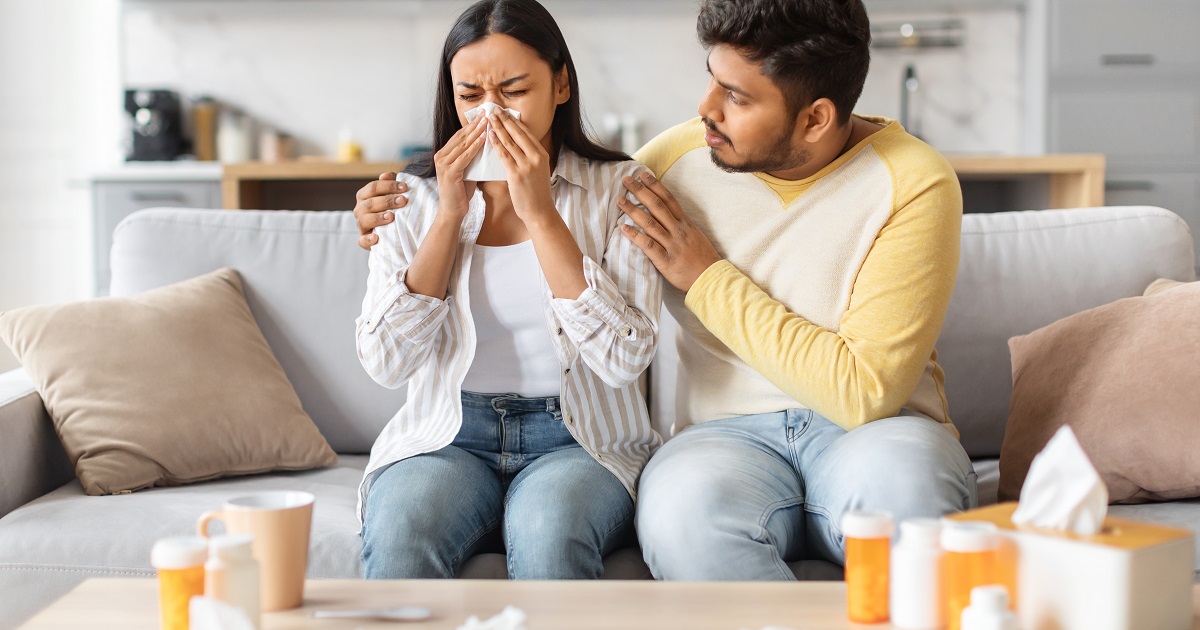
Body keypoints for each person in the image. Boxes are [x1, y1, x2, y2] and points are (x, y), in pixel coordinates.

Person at [356, 0, 977, 581]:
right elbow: (584, 182)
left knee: (908, 497)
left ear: (814, 116)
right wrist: (393, 219)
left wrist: (704, 276)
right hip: (724, 436)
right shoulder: (671, 164)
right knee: (683, 520)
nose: (705, 108)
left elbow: (864, 391)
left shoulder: (913, 181)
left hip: (876, 429)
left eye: (734, 95)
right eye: (711, 78)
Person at [353, 0, 661, 581]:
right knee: (400, 532)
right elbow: (386, 363)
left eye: (515, 90)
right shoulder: (411, 199)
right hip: (449, 435)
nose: (492, 115)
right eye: (470, 96)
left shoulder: (622, 189)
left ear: (561, 83)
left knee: (550, 533)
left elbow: (624, 361)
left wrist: (543, 216)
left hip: (578, 439)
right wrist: (448, 216)